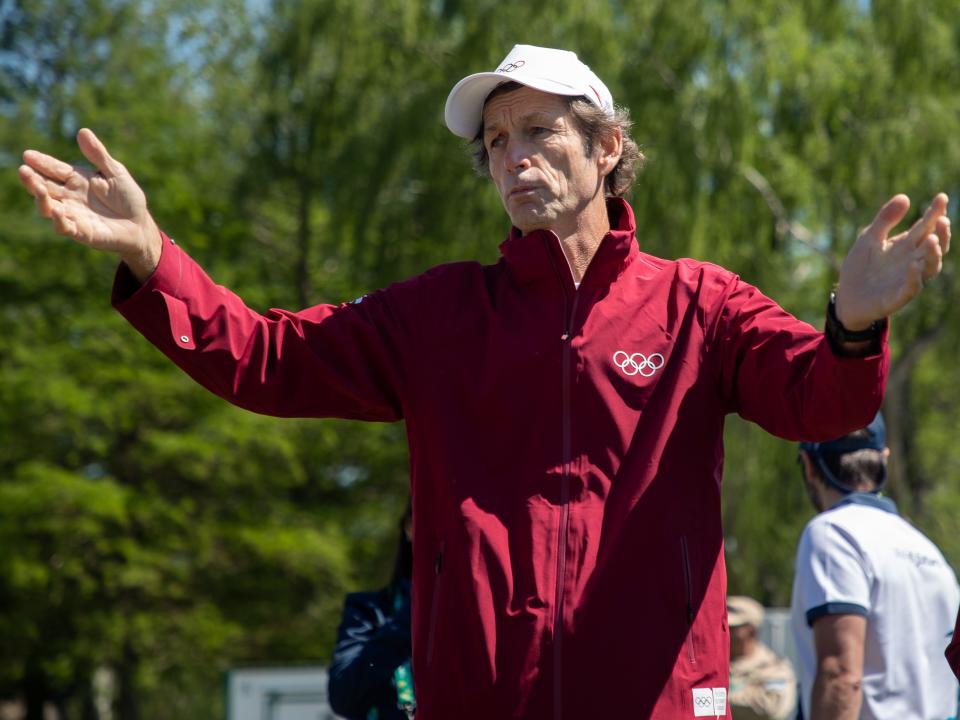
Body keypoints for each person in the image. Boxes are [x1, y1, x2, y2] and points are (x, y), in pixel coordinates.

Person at [17, 43, 951, 719]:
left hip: (664, 705)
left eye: (539, 131)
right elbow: (266, 357)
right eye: (498, 141)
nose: (514, 157)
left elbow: (820, 402)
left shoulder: (699, 304)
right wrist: (151, 257)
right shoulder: (439, 316)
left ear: (608, 148)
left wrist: (854, 323)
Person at [792, 413, 960, 719]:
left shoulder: (832, 533)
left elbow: (841, 675)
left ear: (808, 464)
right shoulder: (926, 547)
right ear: (883, 457)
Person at [328, 505, 415, 720]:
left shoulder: (482, 616)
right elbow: (343, 697)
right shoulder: (369, 611)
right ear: (409, 527)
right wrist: (416, 612)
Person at [727, 596, 796, 720]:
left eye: (732, 628)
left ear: (751, 631)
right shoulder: (713, 666)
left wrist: (719, 699)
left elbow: (771, 706)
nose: (726, 632)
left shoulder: (773, 667)